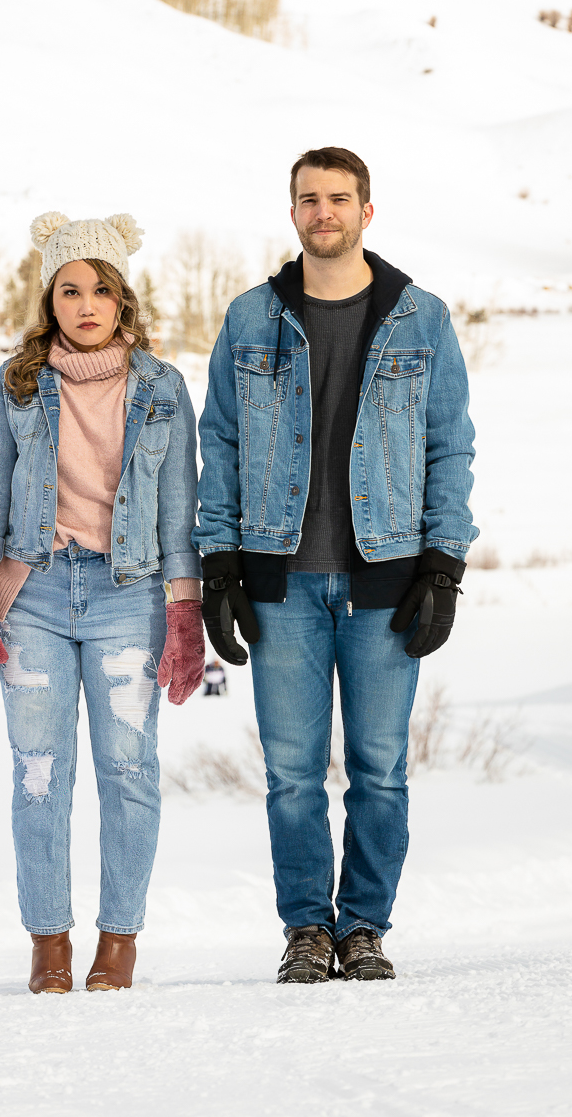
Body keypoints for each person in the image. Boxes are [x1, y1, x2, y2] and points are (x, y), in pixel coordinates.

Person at [195, 147, 478, 984]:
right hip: (279, 581)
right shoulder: (251, 317)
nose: (324, 212)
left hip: (385, 581)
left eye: (339, 198)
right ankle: (304, 932)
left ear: (366, 211)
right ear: (292, 214)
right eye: (309, 199)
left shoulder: (418, 317)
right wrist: (219, 567)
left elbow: (448, 444)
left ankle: (363, 929)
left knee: (379, 771)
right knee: (290, 775)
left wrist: (442, 565)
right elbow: (221, 441)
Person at [0, 210, 205, 995]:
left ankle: (119, 942)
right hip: (32, 590)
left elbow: (177, 505)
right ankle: (49, 944)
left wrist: (185, 609)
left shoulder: (161, 387)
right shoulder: (18, 382)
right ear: (49, 301)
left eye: (101, 288)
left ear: (123, 299)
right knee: (38, 771)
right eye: (70, 290)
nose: (86, 303)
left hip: (127, 594)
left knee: (127, 768)